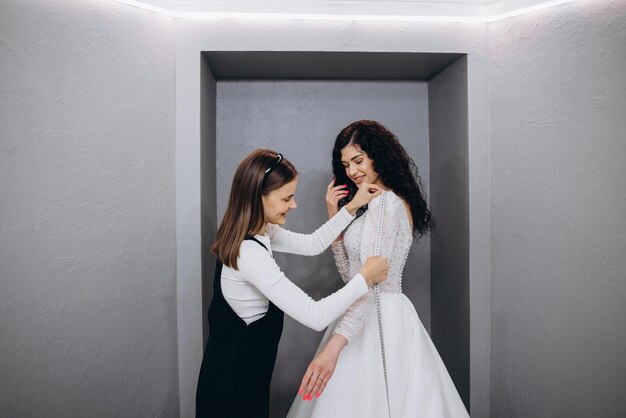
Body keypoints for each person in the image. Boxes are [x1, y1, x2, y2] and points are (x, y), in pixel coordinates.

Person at [287, 121, 469, 417]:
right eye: (346, 164)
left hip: (376, 315)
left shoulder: (385, 204)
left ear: (378, 157)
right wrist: (336, 222)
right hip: (369, 309)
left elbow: (367, 283)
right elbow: (353, 278)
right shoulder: (375, 205)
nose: (352, 171)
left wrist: (333, 349)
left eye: (358, 160)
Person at [195, 148, 389, 418]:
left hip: (244, 386)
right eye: (287, 198)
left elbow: (312, 245)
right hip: (232, 396)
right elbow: (316, 315)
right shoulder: (248, 254)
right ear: (257, 197)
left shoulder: (259, 231)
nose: (293, 205)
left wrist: (352, 206)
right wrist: (364, 278)